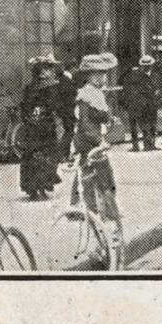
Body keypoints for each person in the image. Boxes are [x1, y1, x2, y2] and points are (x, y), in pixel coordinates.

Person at [70, 52, 121, 236]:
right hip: (87, 141)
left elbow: (102, 116)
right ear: (89, 76)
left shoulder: (97, 94)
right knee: (91, 174)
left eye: (104, 73)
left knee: (98, 174)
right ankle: (89, 210)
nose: (102, 77)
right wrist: (100, 140)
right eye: (97, 74)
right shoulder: (85, 96)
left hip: (95, 141)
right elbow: (84, 124)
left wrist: (110, 121)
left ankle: (102, 209)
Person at [17, 56, 63, 200]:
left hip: (34, 128)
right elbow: (53, 106)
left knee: (34, 157)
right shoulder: (50, 87)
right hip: (44, 127)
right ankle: (41, 187)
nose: (49, 72)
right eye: (46, 69)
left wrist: (29, 120)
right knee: (45, 156)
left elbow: (24, 108)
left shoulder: (30, 88)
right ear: (40, 71)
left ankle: (35, 189)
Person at [122, 55, 159, 151]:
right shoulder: (135, 76)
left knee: (151, 125)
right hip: (138, 105)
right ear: (141, 66)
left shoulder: (154, 76)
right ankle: (138, 146)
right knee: (138, 126)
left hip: (151, 105)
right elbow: (128, 90)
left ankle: (150, 145)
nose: (146, 67)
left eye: (148, 65)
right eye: (144, 65)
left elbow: (157, 89)